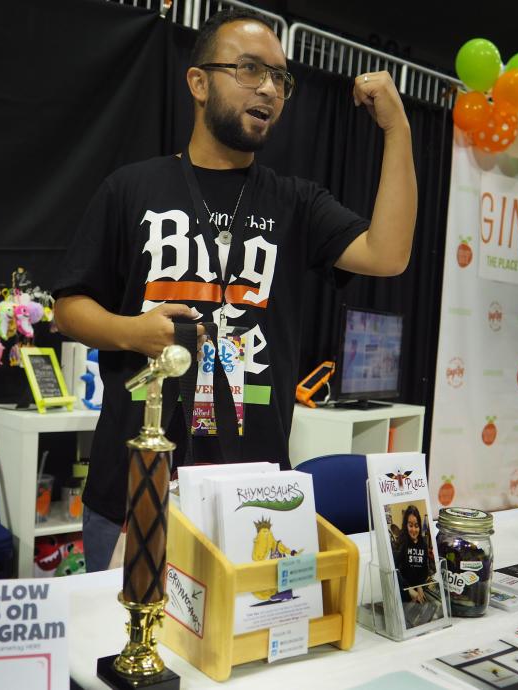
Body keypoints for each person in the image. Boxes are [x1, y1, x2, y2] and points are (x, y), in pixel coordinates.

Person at [53, 8, 417, 572]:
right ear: (198, 82)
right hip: (134, 485)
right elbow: (68, 307)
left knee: (242, 652)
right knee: (123, 648)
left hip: (253, 498)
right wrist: (131, 332)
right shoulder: (132, 188)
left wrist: (398, 130)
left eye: (279, 78)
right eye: (250, 70)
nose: (269, 88)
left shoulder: (294, 201)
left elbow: (388, 255)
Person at [393, 504, 435, 606]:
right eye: (410, 525)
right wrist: (409, 590)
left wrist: (420, 586)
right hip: (403, 594)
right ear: (406, 526)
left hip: (418, 593)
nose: (413, 530)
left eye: (416, 526)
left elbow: (423, 570)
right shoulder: (400, 544)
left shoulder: (423, 545)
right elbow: (395, 571)